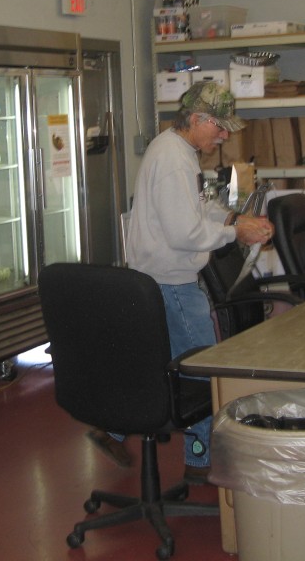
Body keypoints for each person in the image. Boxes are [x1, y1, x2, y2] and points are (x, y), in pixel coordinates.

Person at [115, 80, 273, 484]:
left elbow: (194, 212)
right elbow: (184, 233)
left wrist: (234, 219)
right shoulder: (173, 159)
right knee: (204, 369)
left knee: (158, 362)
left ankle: (113, 427)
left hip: (157, 277)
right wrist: (235, 234)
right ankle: (200, 459)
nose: (223, 136)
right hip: (173, 281)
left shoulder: (176, 148)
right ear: (198, 118)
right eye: (219, 127)